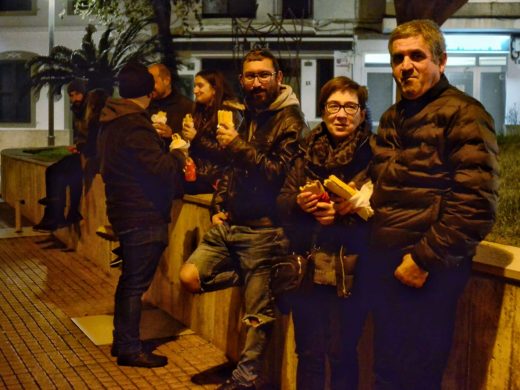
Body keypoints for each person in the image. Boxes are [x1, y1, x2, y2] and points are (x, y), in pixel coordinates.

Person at [365, 19, 499, 389]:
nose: (405, 65)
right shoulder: (393, 117)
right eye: (397, 58)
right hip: (387, 265)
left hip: (426, 269)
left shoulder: (465, 114)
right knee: (387, 371)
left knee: (417, 376)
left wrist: (423, 261)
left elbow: (476, 202)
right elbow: (388, 184)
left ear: (441, 61)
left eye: (416, 56)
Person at [179, 48, 309, 389]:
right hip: (231, 224)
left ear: (279, 78)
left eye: (264, 75)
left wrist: (236, 144)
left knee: (257, 318)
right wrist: (218, 204)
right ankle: (253, 277)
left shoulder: (290, 120)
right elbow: (230, 168)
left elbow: (276, 173)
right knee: (189, 276)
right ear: (242, 80)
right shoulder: (247, 113)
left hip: (264, 231)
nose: (257, 82)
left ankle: (245, 380)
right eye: (250, 76)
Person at [276, 76, 372, 390]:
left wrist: (342, 219)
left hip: (352, 271)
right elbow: (282, 202)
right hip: (307, 268)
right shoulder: (306, 151)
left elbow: (383, 215)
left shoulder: (373, 155)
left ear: (361, 113)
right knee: (308, 352)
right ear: (323, 110)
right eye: (334, 106)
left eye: (350, 107)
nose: (341, 114)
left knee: (342, 352)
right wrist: (300, 204)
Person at [97, 62, 186, 368]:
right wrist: (177, 150)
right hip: (141, 214)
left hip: (122, 210)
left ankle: (124, 342)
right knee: (135, 285)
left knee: (129, 282)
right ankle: (130, 348)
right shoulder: (135, 124)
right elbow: (163, 172)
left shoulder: (111, 119)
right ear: (149, 93)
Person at [33, 79, 108, 231]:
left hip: (95, 156)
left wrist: (81, 147)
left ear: (84, 93)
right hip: (84, 152)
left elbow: (95, 136)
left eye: (77, 94)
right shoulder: (78, 110)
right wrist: (78, 146)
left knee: (61, 172)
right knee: (57, 171)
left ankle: (57, 215)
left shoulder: (93, 108)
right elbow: (82, 136)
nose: (74, 99)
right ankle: (61, 214)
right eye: (71, 95)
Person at [181, 69, 244, 194]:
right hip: (196, 175)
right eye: (194, 86)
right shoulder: (199, 111)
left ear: (215, 88)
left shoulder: (227, 113)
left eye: (200, 86)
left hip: (216, 181)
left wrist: (196, 138)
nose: (195, 91)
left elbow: (228, 153)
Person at [148, 63, 194, 142]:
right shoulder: (146, 105)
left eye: (152, 82)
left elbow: (192, 138)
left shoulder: (187, 106)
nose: (149, 86)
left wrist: (172, 134)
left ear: (166, 81)